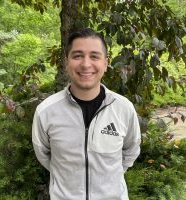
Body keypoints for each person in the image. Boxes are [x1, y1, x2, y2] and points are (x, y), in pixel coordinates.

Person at [32, 28, 141, 200]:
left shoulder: (124, 108)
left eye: (94, 56)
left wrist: (110, 177)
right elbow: (44, 155)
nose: (86, 64)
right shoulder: (46, 111)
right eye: (77, 56)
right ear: (66, 62)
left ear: (105, 63)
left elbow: (131, 150)